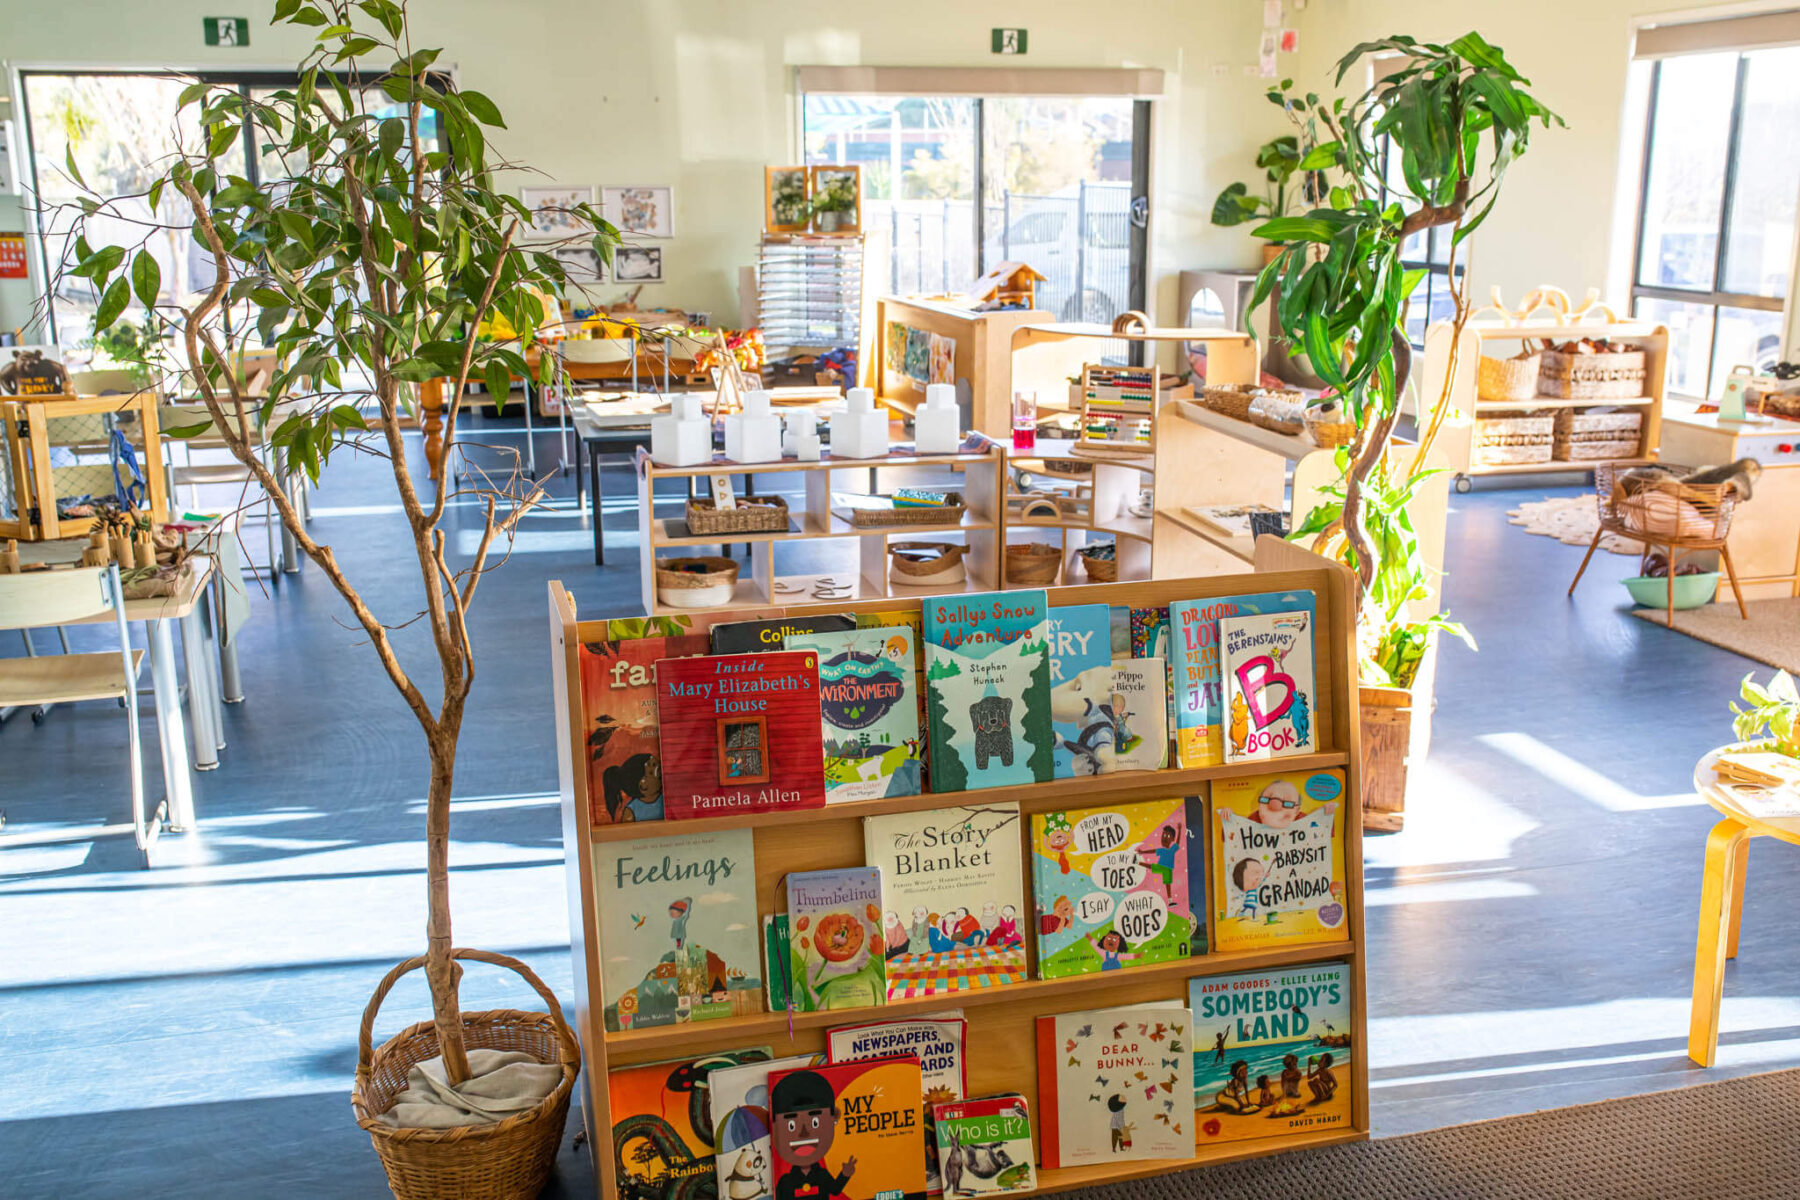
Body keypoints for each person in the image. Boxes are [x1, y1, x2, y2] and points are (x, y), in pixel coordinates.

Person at [771, 1070, 858, 1200]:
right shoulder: (785, 1182)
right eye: (791, 1126)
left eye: (815, 1123)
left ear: (834, 1117)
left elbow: (834, 1190)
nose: (804, 1133)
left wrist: (845, 1174)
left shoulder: (822, 1175)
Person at [603, 753, 664, 822]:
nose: (660, 773)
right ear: (643, 786)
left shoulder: (666, 799)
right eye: (651, 773)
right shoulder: (631, 812)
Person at [1138, 824, 1180, 897]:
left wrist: (1180, 830)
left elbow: (1177, 843)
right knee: (1151, 866)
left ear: (1173, 839)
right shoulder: (1162, 850)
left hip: (1168, 869)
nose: (1164, 838)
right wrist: (1143, 852)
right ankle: (1138, 862)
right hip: (1161, 866)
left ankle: (1170, 900)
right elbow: (1153, 851)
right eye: (1163, 835)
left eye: (1168, 836)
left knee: (1168, 884)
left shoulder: (1172, 849)